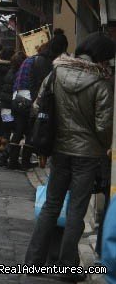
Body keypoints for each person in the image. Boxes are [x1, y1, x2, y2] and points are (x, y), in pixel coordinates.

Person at [25, 32, 115, 281]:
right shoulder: (101, 83)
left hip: (59, 150)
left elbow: (37, 106)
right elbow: (104, 126)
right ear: (102, 58)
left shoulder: (56, 72)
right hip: (87, 154)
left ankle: (33, 261)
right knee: (76, 209)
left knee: (52, 205)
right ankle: (66, 266)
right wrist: (105, 147)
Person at [9, 29, 68, 170]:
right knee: (30, 131)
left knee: (18, 131)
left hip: (17, 97)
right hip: (30, 98)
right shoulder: (44, 62)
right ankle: (24, 162)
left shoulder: (31, 59)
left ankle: (11, 160)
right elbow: (41, 84)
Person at [0, 50, 26, 167]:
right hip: (10, 107)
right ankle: (4, 157)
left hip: (4, 107)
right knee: (16, 134)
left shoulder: (10, 71)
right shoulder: (18, 74)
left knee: (7, 133)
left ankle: (6, 159)